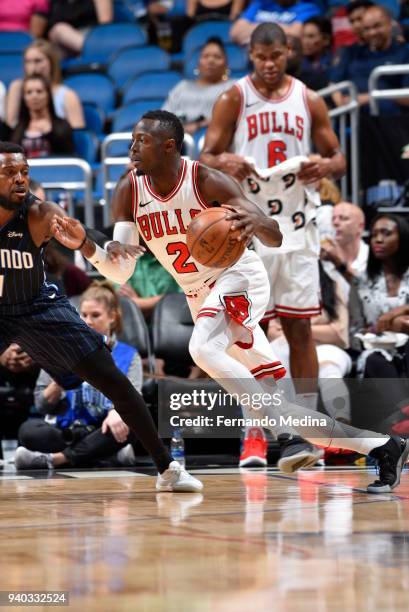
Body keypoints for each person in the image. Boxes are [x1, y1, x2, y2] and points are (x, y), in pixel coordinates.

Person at [52, 110, 409, 494]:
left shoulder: (206, 180)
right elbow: (121, 270)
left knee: (201, 347)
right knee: (281, 403)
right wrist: (88, 244)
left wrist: (256, 223)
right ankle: (384, 446)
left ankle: (280, 428)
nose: (132, 147)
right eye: (133, 140)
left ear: (169, 146)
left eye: (142, 140)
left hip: (239, 276)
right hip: (198, 293)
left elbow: (273, 236)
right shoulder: (129, 189)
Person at [0, 141, 202, 492]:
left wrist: (104, 246)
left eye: (24, 172)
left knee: (113, 380)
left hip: (37, 308)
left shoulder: (37, 213)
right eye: (9, 173)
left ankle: (167, 467)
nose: (20, 180)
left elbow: (76, 231)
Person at [200, 22, 345, 464]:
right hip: (249, 224)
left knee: (300, 330)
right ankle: (255, 432)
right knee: (245, 332)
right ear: (251, 56)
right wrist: (225, 161)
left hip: (298, 228)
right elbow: (206, 156)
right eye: (261, 57)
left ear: (287, 52)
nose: (268, 64)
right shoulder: (234, 97)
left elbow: (338, 157)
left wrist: (324, 167)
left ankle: (306, 430)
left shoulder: (309, 98)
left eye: (276, 56)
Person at [15, 281, 143, 470]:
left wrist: (117, 412)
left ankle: (56, 459)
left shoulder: (129, 355)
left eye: (95, 315)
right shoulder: (58, 350)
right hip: (66, 431)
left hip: (103, 429)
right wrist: (60, 378)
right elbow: (41, 406)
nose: (88, 321)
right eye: (83, 315)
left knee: (131, 424)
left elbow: (135, 402)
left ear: (112, 318)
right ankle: (103, 455)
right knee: (28, 430)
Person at [353, 214, 409, 432]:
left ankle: (399, 423)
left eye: (386, 233)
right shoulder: (361, 278)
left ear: (402, 238)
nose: (377, 239)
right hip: (375, 347)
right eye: (374, 234)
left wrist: (399, 313)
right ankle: (404, 412)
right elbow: (355, 328)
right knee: (374, 360)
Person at [330, 5, 409, 112]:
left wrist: (370, 97)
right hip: (352, 119)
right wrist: (342, 105)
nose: (372, 32)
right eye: (367, 29)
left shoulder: (404, 52)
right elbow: (334, 83)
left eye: (377, 26)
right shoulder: (351, 52)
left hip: (390, 121)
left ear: (389, 24)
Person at [6, 39, 85, 129]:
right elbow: (10, 126)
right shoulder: (17, 88)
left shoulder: (67, 96)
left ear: (51, 62)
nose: (33, 67)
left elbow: (78, 134)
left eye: (38, 61)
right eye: (28, 62)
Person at [162, 38, 234, 136]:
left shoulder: (234, 87)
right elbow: (164, 119)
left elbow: (234, 116)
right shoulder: (182, 87)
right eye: (205, 56)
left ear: (226, 64)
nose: (211, 60)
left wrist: (199, 125)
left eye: (217, 57)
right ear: (198, 64)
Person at [10, 75, 75, 159]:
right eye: (29, 92)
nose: (34, 96)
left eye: (39, 91)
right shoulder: (18, 129)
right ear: (24, 98)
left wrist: (49, 134)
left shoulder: (62, 125)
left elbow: (68, 155)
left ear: (48, 95)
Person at [230, 0, 321, 46]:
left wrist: (252, 28)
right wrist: (285, 28)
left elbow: (294, 35)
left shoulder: (307, 8)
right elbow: (235, 32)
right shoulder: (259, 3)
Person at [320, 201, 369, 279]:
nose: (335, 223)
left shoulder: (373, 257)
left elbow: (364, 289)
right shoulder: (322, 259)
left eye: (343, 218)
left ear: (360, 227)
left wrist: (337, 262)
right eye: (333, 219)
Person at [46, 0, 113, 56]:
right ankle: (94, 50)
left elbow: (105, 24)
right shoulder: (54, 2)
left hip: (92, 35)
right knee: (59, 29)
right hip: (62, 43)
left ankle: (93, 50)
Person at [300, 16, 332, 90]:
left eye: (311, 36)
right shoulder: (296, 66)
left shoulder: (335, 63)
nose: (305, 42)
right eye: (303, 36)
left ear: (326, 39)